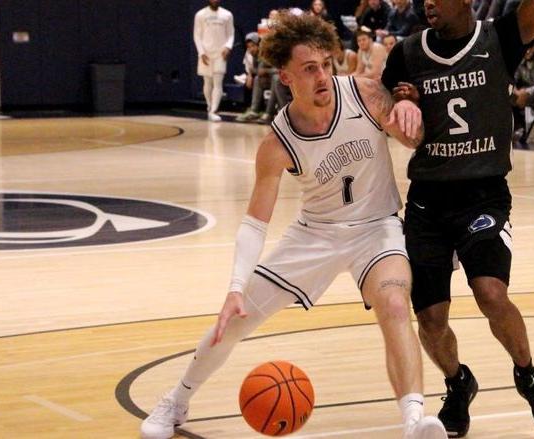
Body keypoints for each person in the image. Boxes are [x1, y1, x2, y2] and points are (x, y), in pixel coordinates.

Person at [140, 11, 448, 439]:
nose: (322, 76)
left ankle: (415, 420)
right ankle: (176, 401)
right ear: (286, 77)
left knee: (395, 304)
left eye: (326, 64)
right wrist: (234, 289)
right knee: (233, 319)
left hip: (376, 228)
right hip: (315, 234)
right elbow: (254, 223)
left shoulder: (364, 94)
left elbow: (411, 136)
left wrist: (409, 110)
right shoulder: (277, 143)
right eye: (309, 69)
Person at [382, 0, 534, 437]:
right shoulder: (407, 52)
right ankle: (458, 382)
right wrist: (398, 104)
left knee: (490, 293)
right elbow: (382, 97)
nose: (427, 3)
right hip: (428, 199)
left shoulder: (498, 37)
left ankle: (528, 375)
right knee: (430, 318)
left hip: (483, 193)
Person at [194, 0, 235, 122]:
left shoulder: (227, 14)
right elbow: (197, 35)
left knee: (218, 81)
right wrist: (201, 52)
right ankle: (209, 106)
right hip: (206, 53)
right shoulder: (200, 14)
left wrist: (228, 47)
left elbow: (231, 33)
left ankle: (214, 110)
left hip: (220, 53)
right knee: (207, 81)